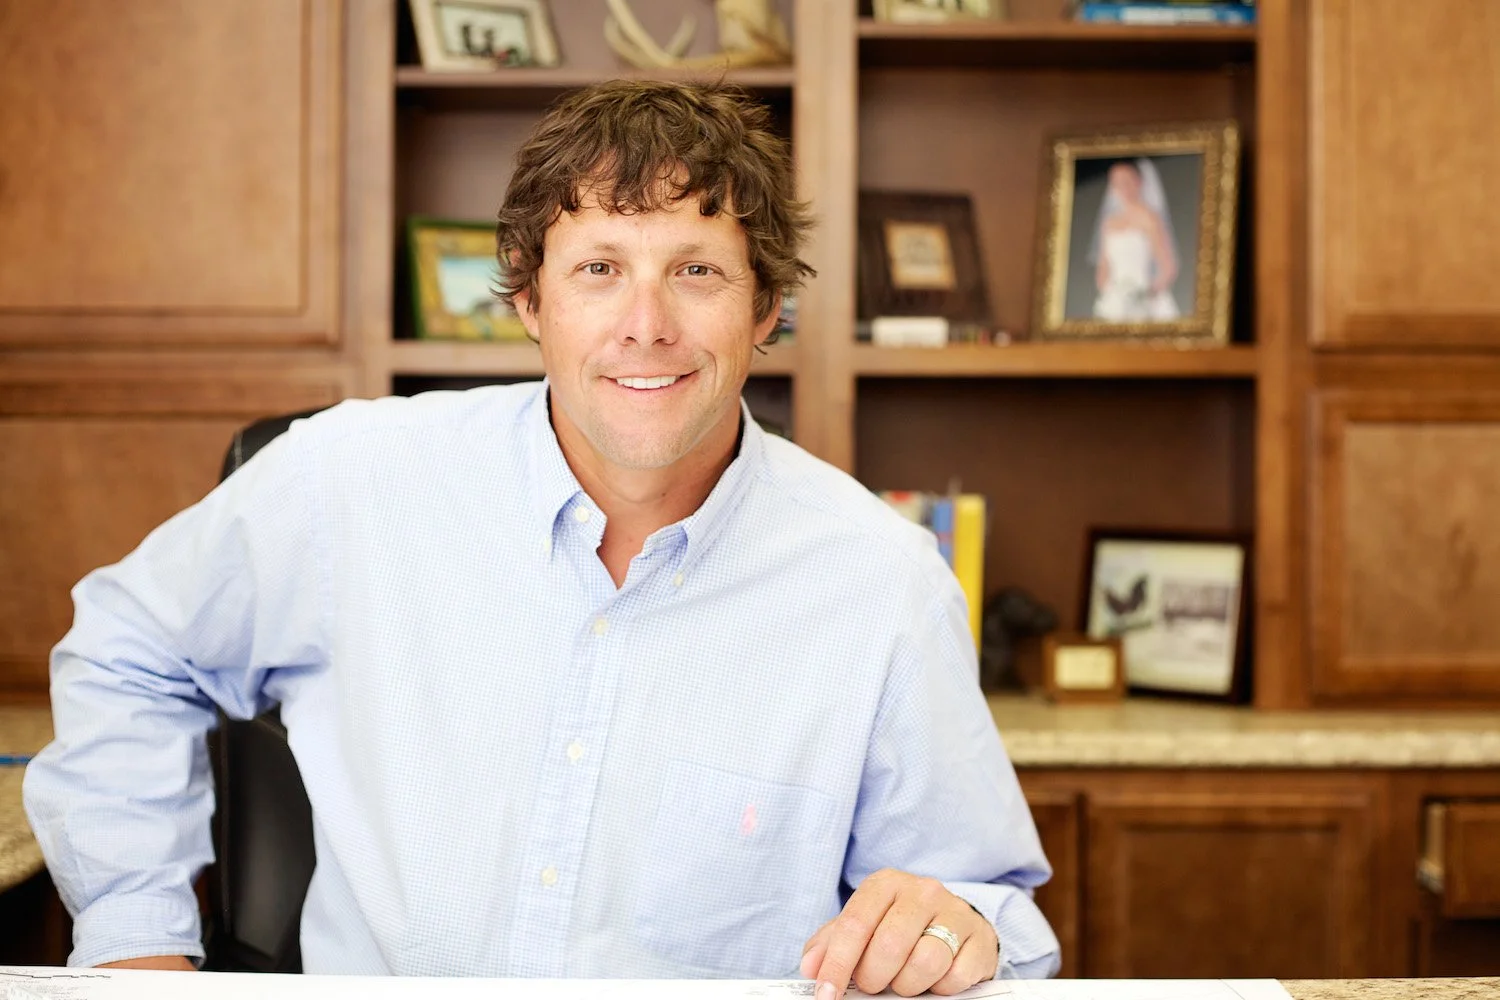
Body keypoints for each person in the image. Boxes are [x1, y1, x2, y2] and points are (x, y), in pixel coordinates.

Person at [24, 80, 1059, 992]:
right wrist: (135, 953)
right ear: (528, 299)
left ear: (768, 309)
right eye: (600, 268)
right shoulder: (348, 480)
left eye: (696, 272)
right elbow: (127, 648)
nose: (644, 324)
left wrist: (953, 929)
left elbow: (988, 912)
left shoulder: (879, 580)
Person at [1090, 158, 1180, 322]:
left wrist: (1147, 295)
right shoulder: (1109, 223)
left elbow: (1168, 267)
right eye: (1116, 183)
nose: (1122, 188)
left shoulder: (1149, 219)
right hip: (1115, 298)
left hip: (1144, 296)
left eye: (1126, 181)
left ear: (1138, 182)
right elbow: (1104, 264)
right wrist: (1108, 292)